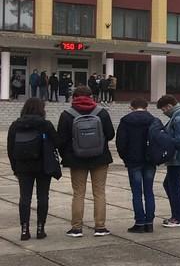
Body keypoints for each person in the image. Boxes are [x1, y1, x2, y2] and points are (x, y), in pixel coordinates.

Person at [57, 86, 116, 237]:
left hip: (76, 159)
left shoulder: (67, 114)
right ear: (91, 97)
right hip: (100, 158)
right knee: (99, 192)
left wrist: (67, 156)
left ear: (74, 97)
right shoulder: (102, 113)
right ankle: (100, 227)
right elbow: (110, 134)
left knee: (78, 193)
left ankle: (76, 228)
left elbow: (61, 140)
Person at [8, 97, 60, 240]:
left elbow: (10, 148)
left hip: (23, 166)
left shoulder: (15, 125)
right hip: (43, 166)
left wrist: (15, 168)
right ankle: (40, 229)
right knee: (43, 196)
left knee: (25, 197)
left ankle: (24, 230)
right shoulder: (46, 125)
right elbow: (57, 142)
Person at [115, 99, 162, 233]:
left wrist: (125, 157)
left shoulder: (126, 120)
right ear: (146, 107)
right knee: (149, 191)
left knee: (136, 192)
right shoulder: (154, 120)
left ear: (131, 107)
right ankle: (149, 222)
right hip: (150, 160)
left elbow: (120, 142)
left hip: (133, 160)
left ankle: (139, 222)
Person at [157, 95, 180, 228]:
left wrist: (164, 138)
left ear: (169, 106)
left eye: (164, 109)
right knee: (169, 185)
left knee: (174, 187)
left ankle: (179, 218)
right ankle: (177, 216)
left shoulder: (179, 119)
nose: (164, 112)